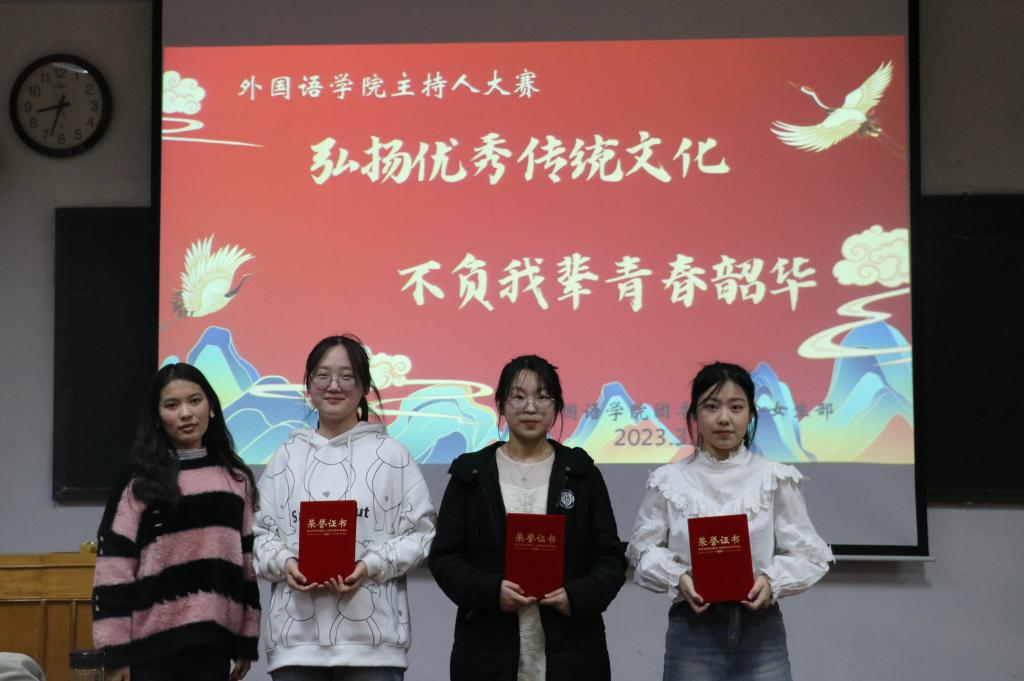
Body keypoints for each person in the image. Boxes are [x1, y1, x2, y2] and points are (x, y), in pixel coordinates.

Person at [627, 362, 833, 681]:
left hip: (760, 632)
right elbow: (643, 550)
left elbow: (808, 555)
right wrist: (678, 577)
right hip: (692, 631)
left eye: (736, 407)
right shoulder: (669, 480)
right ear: (695, 415)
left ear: (750, 415)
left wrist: (771, 580)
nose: (724, 418)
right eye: (711, 407)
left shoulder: (774, 478)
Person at [429, 355, 626, 681]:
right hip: (487, 650)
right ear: (501, 405)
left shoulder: (581, 474)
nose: (530, 407)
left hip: (571, 650)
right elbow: (445, 557)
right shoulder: (472, 474)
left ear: (557, 406)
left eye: (543, 396)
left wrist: (576, 596)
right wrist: (490, 591)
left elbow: (610, 558)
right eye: (518, 396)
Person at [252, 335, 436, 681]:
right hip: (296, 644)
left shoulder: (392, 456)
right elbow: (260, 535)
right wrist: (286, 563)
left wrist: (370, 566)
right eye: (322, 375)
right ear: (309, 384)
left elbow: (422, 536)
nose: (333, 386)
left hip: (373, 645)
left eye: (346, 376)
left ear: (363, 386)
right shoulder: (286, 457)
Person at [92, 363, 260, 681]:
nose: (186, 413)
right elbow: (113, 569)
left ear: (211, 407)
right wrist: (114, 654)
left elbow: (246, 565)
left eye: (195, 401)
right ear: (157, 417)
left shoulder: (236, 480)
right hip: (149, 651)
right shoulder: (138, 483)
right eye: (172, 405)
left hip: (213, 646)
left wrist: (246, 640)